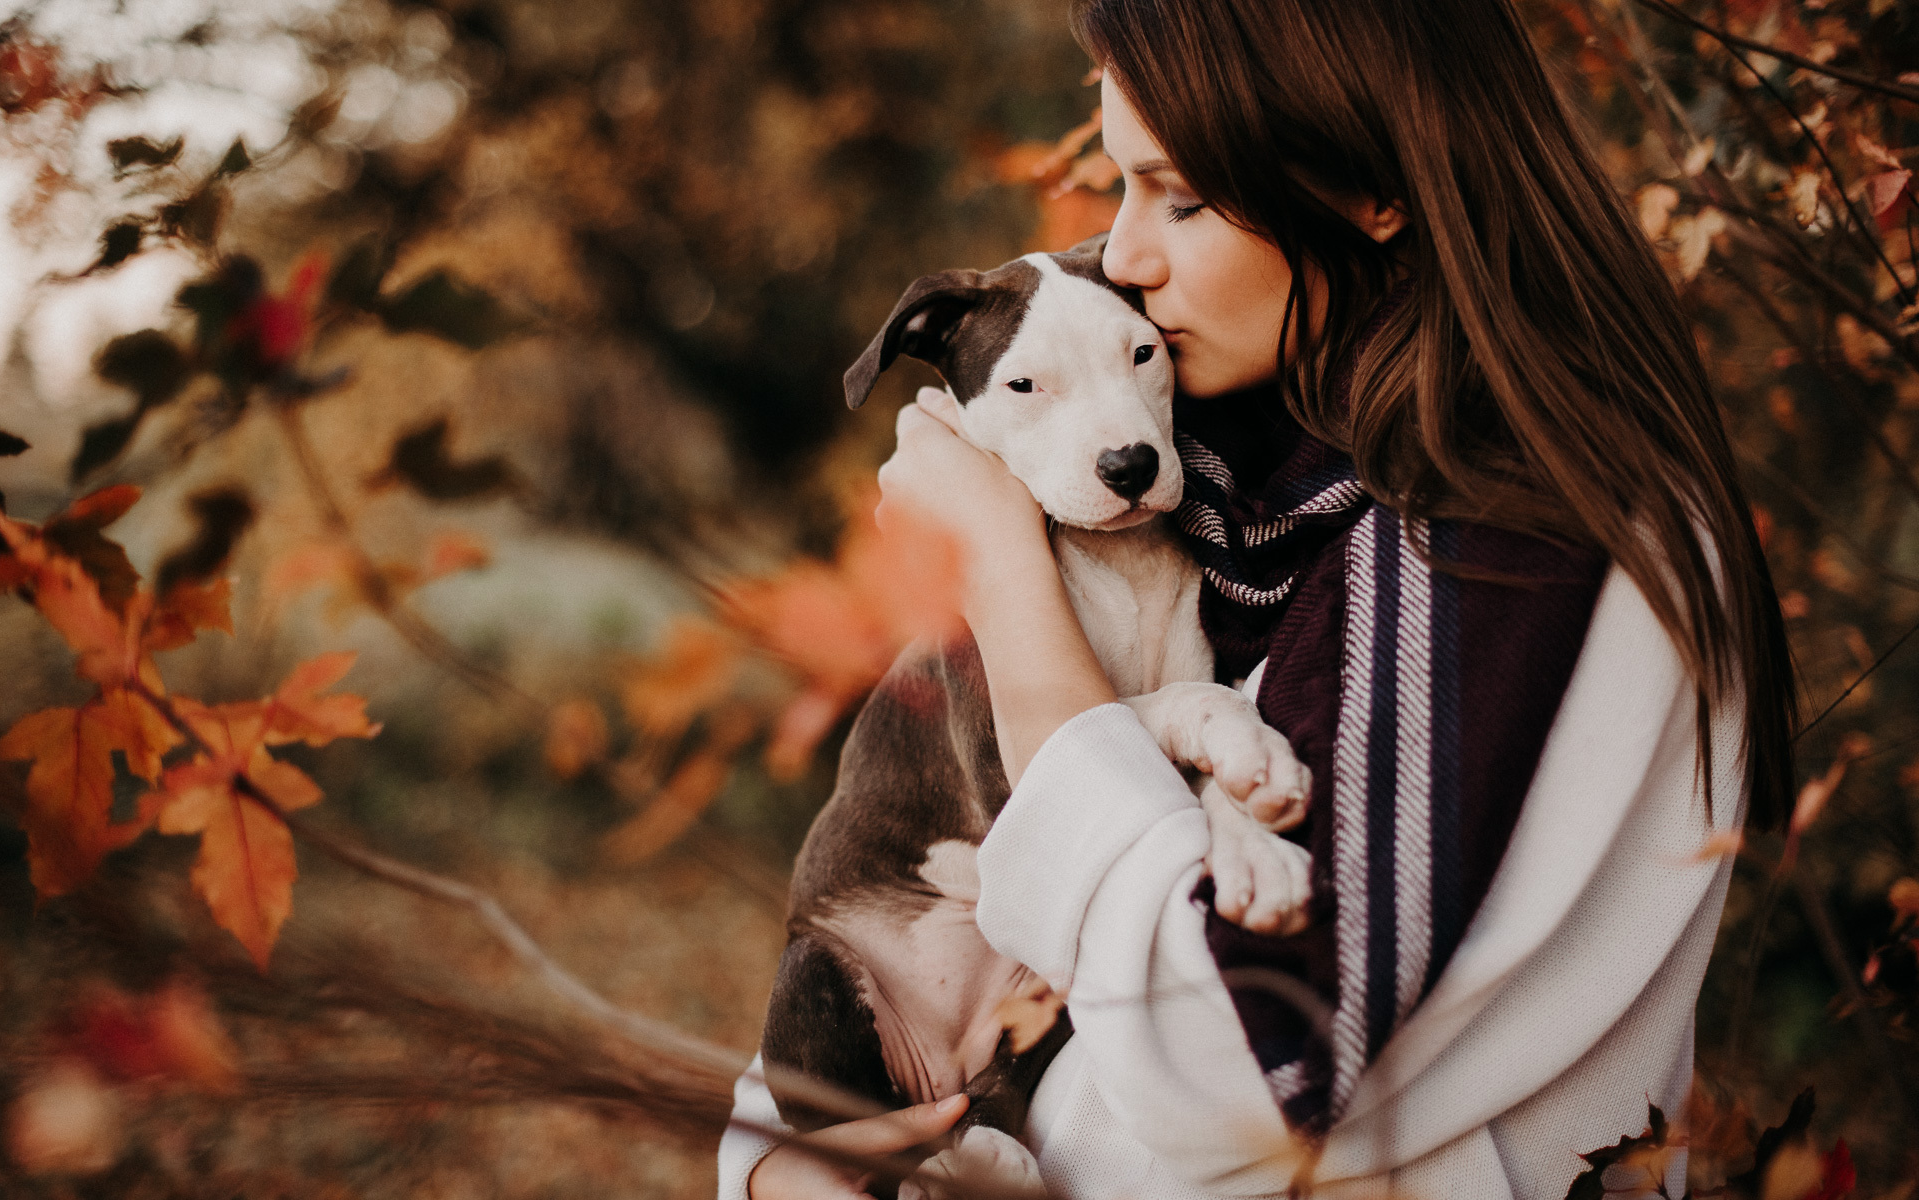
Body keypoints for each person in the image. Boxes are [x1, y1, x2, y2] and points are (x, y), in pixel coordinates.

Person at [721, 0, 1796, 1195]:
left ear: (1375, 188)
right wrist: (780, 1163)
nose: (1122, 254)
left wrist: (1005, 580)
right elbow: (905, 892)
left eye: (1176, 197)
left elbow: (1232, 1062)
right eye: (1119, 190)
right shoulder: (1252, 478)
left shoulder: (1518, 534)